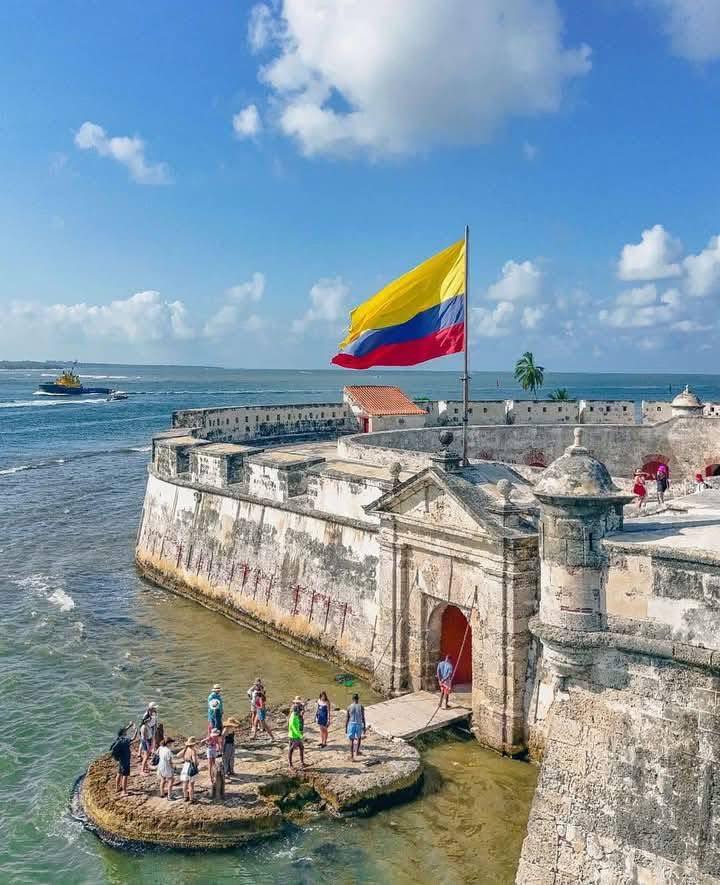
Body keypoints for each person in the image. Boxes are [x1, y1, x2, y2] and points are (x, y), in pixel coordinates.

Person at [110, 721, 137, 797]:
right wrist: (136, 730)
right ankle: (124, 791)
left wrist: (129, 725)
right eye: (125, 731)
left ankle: (117, 788)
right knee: (125, 775)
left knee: (119, 773)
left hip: (121, 760)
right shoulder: (125, 740)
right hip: (125, 761)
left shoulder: (119, 739)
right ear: (123, 733)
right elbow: (133, 738)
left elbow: (124, 730)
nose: (126, 732)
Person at [345, 693, 366, 761]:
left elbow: (347, 718)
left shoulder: (349, 707)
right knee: (359, 738)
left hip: (351, 724)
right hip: (359, 724)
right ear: (358, 699)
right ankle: (357, 752)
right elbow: (363, 717)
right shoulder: (361, 707)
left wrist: (346, 727)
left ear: (352, 699)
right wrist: (364, 726)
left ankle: (352, 756)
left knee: (351, 740)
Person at [180, 738, 199, 803]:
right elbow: (195, 761)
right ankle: (191, 798)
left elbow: (178, 755)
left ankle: (185, 797)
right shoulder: (193, 750)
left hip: (185, 766)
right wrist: (197, 765)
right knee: (191, 784)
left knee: (185, 783)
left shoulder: (186, 749)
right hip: (190, 766)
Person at [288, 697, 305, 771]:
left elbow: (297, 725)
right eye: (298, 711)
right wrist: (300, 735)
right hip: (294, 736)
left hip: (296, 735)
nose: (299, 712)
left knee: (301, 747)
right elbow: (293, 727)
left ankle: (302, 762)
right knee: (291, 749)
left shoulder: (295, 715)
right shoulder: (293, 717)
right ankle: (290, 764)